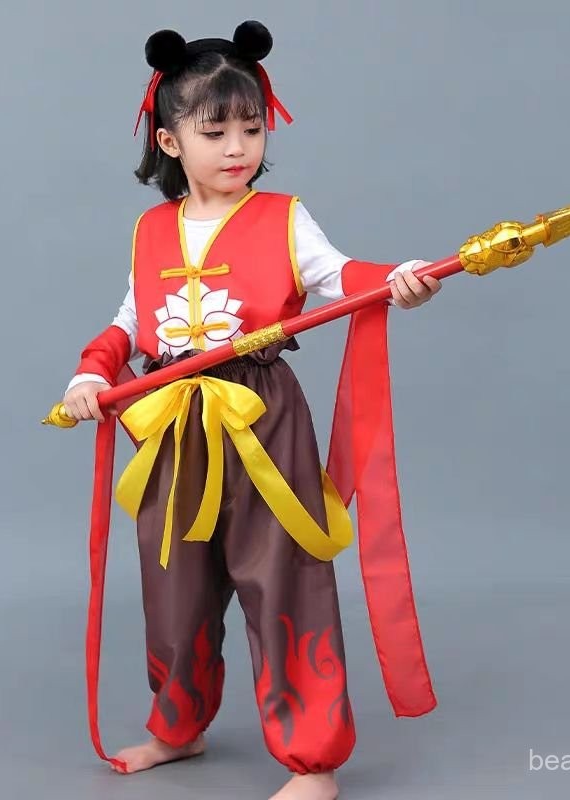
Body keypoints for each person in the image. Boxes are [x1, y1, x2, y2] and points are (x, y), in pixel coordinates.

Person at [62, 21, 441, 800]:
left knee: (284, 576)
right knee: (174, 581)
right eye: (215, 132)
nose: (238, 147)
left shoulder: (285, 217)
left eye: (252, 128)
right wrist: (89, 374)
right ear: (170, 142)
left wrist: (399, 277)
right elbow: (130, 324)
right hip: (173, 423)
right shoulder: (151, 229)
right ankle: (178, 725)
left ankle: (314, 760)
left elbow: (342, 278)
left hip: (261, 419)